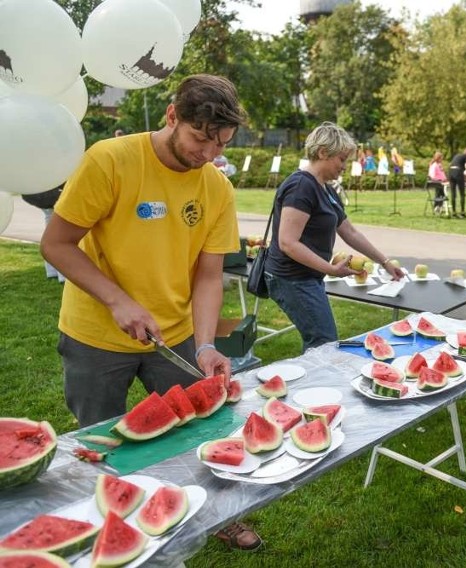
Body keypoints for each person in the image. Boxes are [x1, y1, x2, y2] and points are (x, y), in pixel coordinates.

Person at [40, 74, 262, 551]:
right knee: (99, 444)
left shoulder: (216, 186)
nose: (207, 153)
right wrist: (118, 300)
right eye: (200, 138)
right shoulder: (111, 160)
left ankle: (216, 512)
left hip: (176, 334)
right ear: (172, 116)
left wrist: (205, 343)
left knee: (200, 431)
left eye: (220, 143)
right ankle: (106, 528)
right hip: (94, 335)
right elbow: (56, 244)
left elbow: (208, 274)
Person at [264, 122, 405, 352]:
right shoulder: (301, 187)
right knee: (324, 343)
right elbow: (288, 243)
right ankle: (314, 387)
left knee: (321, 342)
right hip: (291, 278)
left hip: (308, 277)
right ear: (322, 152)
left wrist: (385, 262)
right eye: (341, 159)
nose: (344, 167)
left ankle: (313, 385)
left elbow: (349, 231)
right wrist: (330, 270)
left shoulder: (326, 189)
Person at [448, 146, 466, 218]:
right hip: (458, 173)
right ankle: (462, 212)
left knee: (453, 194)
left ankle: (454, 212)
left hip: (451, 172)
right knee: (462, 194)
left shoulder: (457, 155)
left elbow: (450, 164)